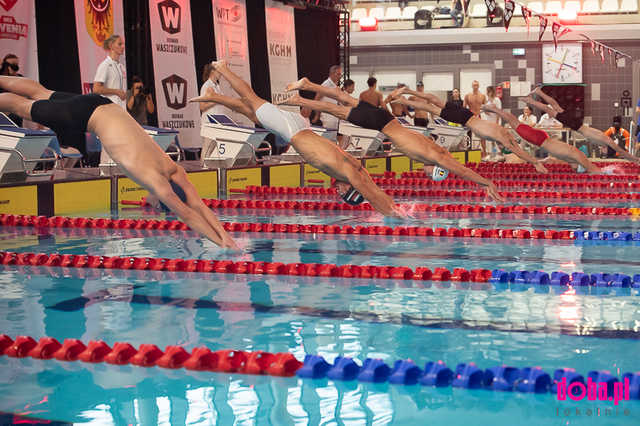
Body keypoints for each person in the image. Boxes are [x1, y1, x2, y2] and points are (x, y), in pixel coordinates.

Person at [0, 76, 237, 249]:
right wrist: (220, 243)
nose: (150, 205)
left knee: (42, 92)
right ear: (164, 197)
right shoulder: (156, 183)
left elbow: (198, 204)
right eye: (156, 205)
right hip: (87, 117)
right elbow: (186, 212)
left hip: (101, 104)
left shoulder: (172, 167)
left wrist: (226, 238)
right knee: (21, 106)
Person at [190, 61, 403, 217]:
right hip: (293, 131)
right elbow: (370, 193)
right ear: (350, 187)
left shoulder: (354, 166)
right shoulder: (347, 172)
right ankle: (223, 68)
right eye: (343, 193)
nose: (337, 192)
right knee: (253, 100)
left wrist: (394, 205)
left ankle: (216, 97)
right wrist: (392, 215)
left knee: (253, 113)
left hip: (301, 127)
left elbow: (371, 185)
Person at [278, 77, 504, 201]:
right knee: (335, 109)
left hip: (385, 119)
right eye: (431, 174)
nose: (425, 174)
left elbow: (459, 168)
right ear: (434, 168)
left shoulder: (431, 148)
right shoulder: (437, 156)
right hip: (382, 124)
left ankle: (307, 86)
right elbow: (461, 171)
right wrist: (487, 183)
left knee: (342, 98)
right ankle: (301, 98)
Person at [389, 86, 548, 174]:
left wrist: (537, 161)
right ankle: (405, 96)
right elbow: (519, 151)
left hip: (468, 115)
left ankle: (407, 91)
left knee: (435, 102)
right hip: (465, 119)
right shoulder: (504, 139)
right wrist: (535, 163)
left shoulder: (504, 130)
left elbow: (516, 140)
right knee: (431, 107)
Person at [522, 86, 640, 164]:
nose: (603, 150)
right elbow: (622, 152)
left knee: (554, 107)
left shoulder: (604, 139)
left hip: (577, 124)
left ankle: (538, 92)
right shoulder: (608, 141)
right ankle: (532, 99)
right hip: (576, 126)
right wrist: (634, 159)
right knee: (550, 110)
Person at [481, 103, 600, 173]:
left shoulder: (568, 156)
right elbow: (552, 160)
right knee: (514, 122)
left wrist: (539, 162)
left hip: (542, 138)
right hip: (539, 139)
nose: (572, 167)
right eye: (574, 167)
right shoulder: (571, 156)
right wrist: (537, 163)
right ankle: (494, 108)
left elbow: (550, 159)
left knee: (514, 122)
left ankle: (494, 109)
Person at [198, 63, 232, 162]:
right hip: (209, 124)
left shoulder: (217, 86)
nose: (221, 73)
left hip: (218, 124)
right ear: (212, 72)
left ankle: (214, 172)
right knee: (207, 151)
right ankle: (204, 171)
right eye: (219, 71)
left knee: (215, 152)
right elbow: (202, 106)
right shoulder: (206, 86)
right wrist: (215, 100)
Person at [93, 34, 126, 108]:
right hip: (110, 110)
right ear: (111, 46)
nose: (123, 46)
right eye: (119, 44)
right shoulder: (105, 65)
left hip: (122, 110)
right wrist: (116, 91)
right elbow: (96, 89)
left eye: (123, 44)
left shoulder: (122, 67)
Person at [311, 65, 342, 129]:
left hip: (334, 117)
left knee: (333, 138)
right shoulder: (326, 84)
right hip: (327, 118)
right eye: (338, 74)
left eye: (340, 74)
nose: (340, 76)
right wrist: (317, 115)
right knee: (327, 137)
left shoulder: (335, 85)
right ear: (332, 74)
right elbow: (316, 100)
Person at [464, 81, 487, 158]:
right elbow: (464, 107)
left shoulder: (482, 96)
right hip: (470, 117)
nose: (475, 86)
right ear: (472, 86)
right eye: (474, 85)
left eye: (476, 85)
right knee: (469, 135)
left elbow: (486, 107)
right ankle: (468, 151)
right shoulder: (468, 95)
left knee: (482, 135)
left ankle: (484, 152)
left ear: (479, 86)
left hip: (479, 116)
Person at [0, 54, 23, 126]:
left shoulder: (21, 79)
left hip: (17, 113)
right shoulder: (1, 79)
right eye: (8, 65)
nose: (14, 67)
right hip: (3, 115)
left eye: (16, 65)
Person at [480, 86, 501, 158]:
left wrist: (497, 122)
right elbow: (485, 110)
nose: (487, 93)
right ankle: (493, 153)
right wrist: (485, 111)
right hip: (489, 121)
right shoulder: (488, 101)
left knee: (496, 138)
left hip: (495, 121)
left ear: (491, 92)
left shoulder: (497, 100)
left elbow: (499, 112)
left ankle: (499, 153)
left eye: (488, 91)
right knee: (491, 139)